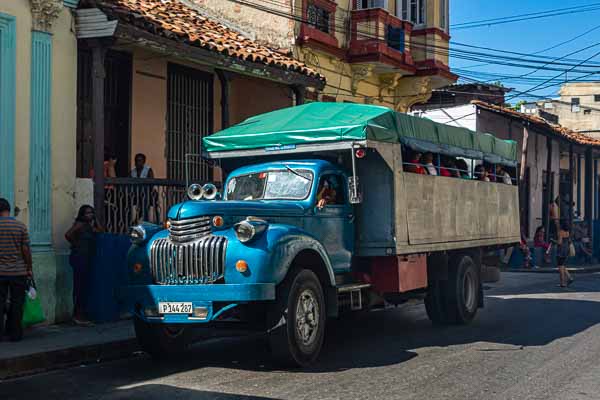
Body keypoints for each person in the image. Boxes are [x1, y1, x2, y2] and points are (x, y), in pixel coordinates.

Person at [0, 199, 32, 342]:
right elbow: (26, 250)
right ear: (9, 209)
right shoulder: (20, 226)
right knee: (17, 303)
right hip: (18, 272)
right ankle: (15, 334)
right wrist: (29, 268)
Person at [65, 205, 103, 326]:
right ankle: (78, 315)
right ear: (82, 214)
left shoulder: (89, 226)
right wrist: (76, 245)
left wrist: (95, 220)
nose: (89, 215)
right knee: (80, 287)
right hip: (79, 258)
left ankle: (81, 314)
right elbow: (68, 234)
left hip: (86, 258)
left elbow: (101, 231)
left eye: (91, 213)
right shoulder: (80, 224)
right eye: (87, 213)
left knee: (84, 287)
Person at [556, 221, 574, 288]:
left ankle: (562, 283)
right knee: (562, 265)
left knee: (560, 267)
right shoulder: (567, 232)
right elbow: (568, 241)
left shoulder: (561, 232)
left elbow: (559, 242)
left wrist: (555, 241)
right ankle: (569, 278)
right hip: (566, 250)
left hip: (561, 251)